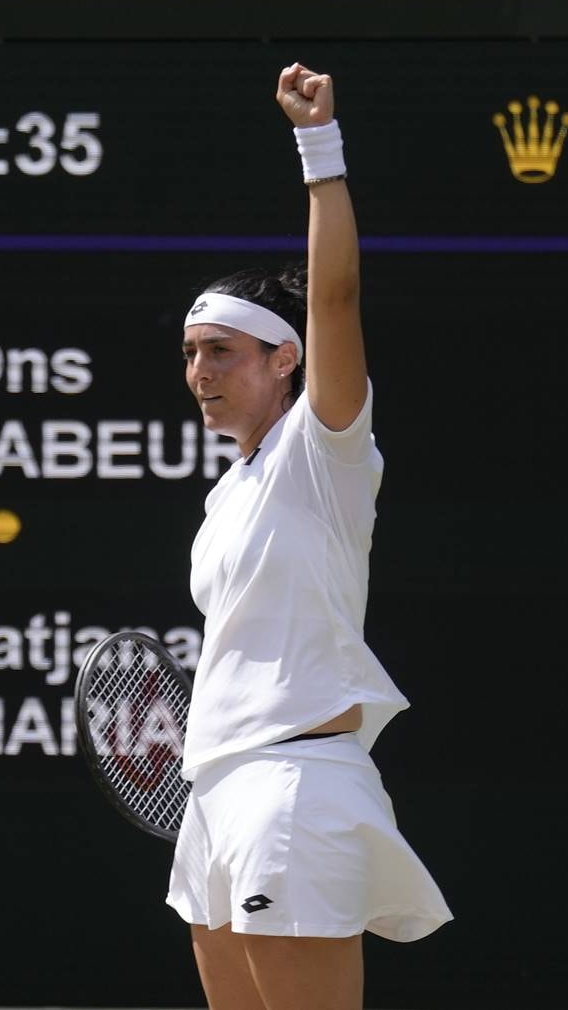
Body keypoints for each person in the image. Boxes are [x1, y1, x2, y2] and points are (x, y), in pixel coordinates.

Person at [165, 63, 452, 1010]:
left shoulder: (319, 453)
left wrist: (317, 150)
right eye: (189, 354)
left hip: (294, 785)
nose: (198, 370)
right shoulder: (228, 494)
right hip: (216, 790)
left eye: (220, 350)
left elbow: (333, 300)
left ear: (282, 358)